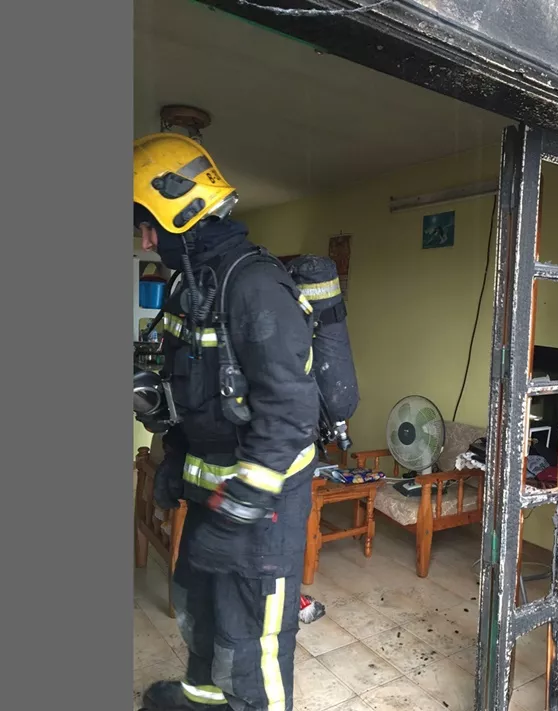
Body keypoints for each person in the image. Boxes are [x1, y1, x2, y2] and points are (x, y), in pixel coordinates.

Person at [134, 132, 321, 711]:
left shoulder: (256, 286)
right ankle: (202, 697)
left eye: (143, 222)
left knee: (253, 644)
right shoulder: (191, 286)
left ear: (177, 213)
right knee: (203, 615)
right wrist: (174, 456)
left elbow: (292, 412)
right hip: (213, 499)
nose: (141, 237)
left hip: (262, 510)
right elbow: (199, 391)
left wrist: (241, 504)